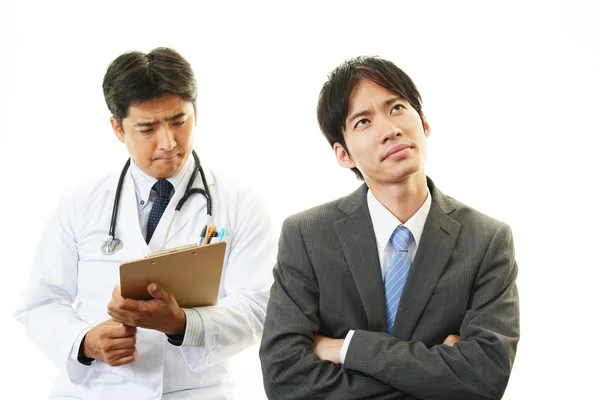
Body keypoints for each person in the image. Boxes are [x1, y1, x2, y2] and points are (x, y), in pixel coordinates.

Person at [14, 47, 276, 399]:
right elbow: (40, 303)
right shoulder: (79, 204)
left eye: (179, 121)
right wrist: (87, 342)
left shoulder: (241, 205)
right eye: (147, 128)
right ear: (117, 129)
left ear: (196, 113)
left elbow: (260, 308)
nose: (167, 142)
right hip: (99, 390)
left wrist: (183, 324)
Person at [259, 56, 520, 399]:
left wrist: (346, 350)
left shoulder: (487, 240)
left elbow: (485, 377)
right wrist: (439, 376)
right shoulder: (306, 236)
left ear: (424, 122)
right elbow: (284, 377)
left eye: (396, 108)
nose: (389, 129)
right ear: (343, 154)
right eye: (364, 121)